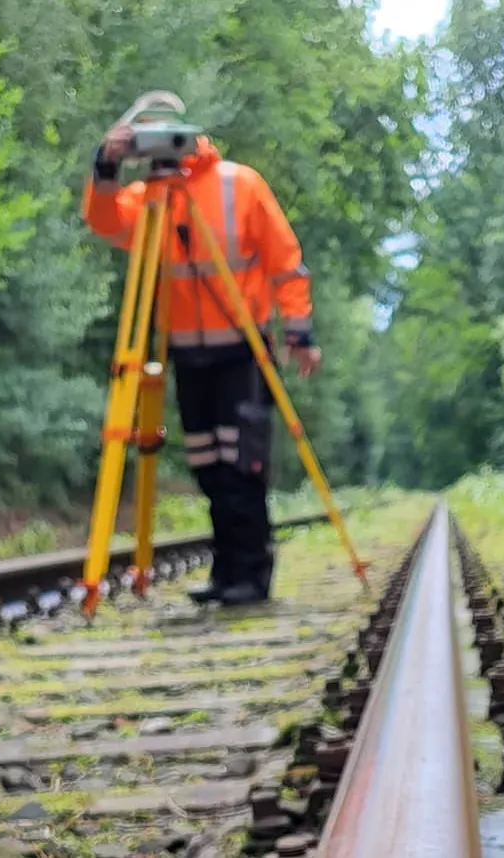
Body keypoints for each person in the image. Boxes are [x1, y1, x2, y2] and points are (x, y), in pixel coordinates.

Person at [81, 92, 321, 606]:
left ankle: (251, 575)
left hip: (244, 350)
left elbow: (286, 263)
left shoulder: (240, 184)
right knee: (209, 467)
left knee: (241, 466)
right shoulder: (150, 198)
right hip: (189, 356)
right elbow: (104, 221)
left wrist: (299, 333)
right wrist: (105, 166)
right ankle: (226, 570)